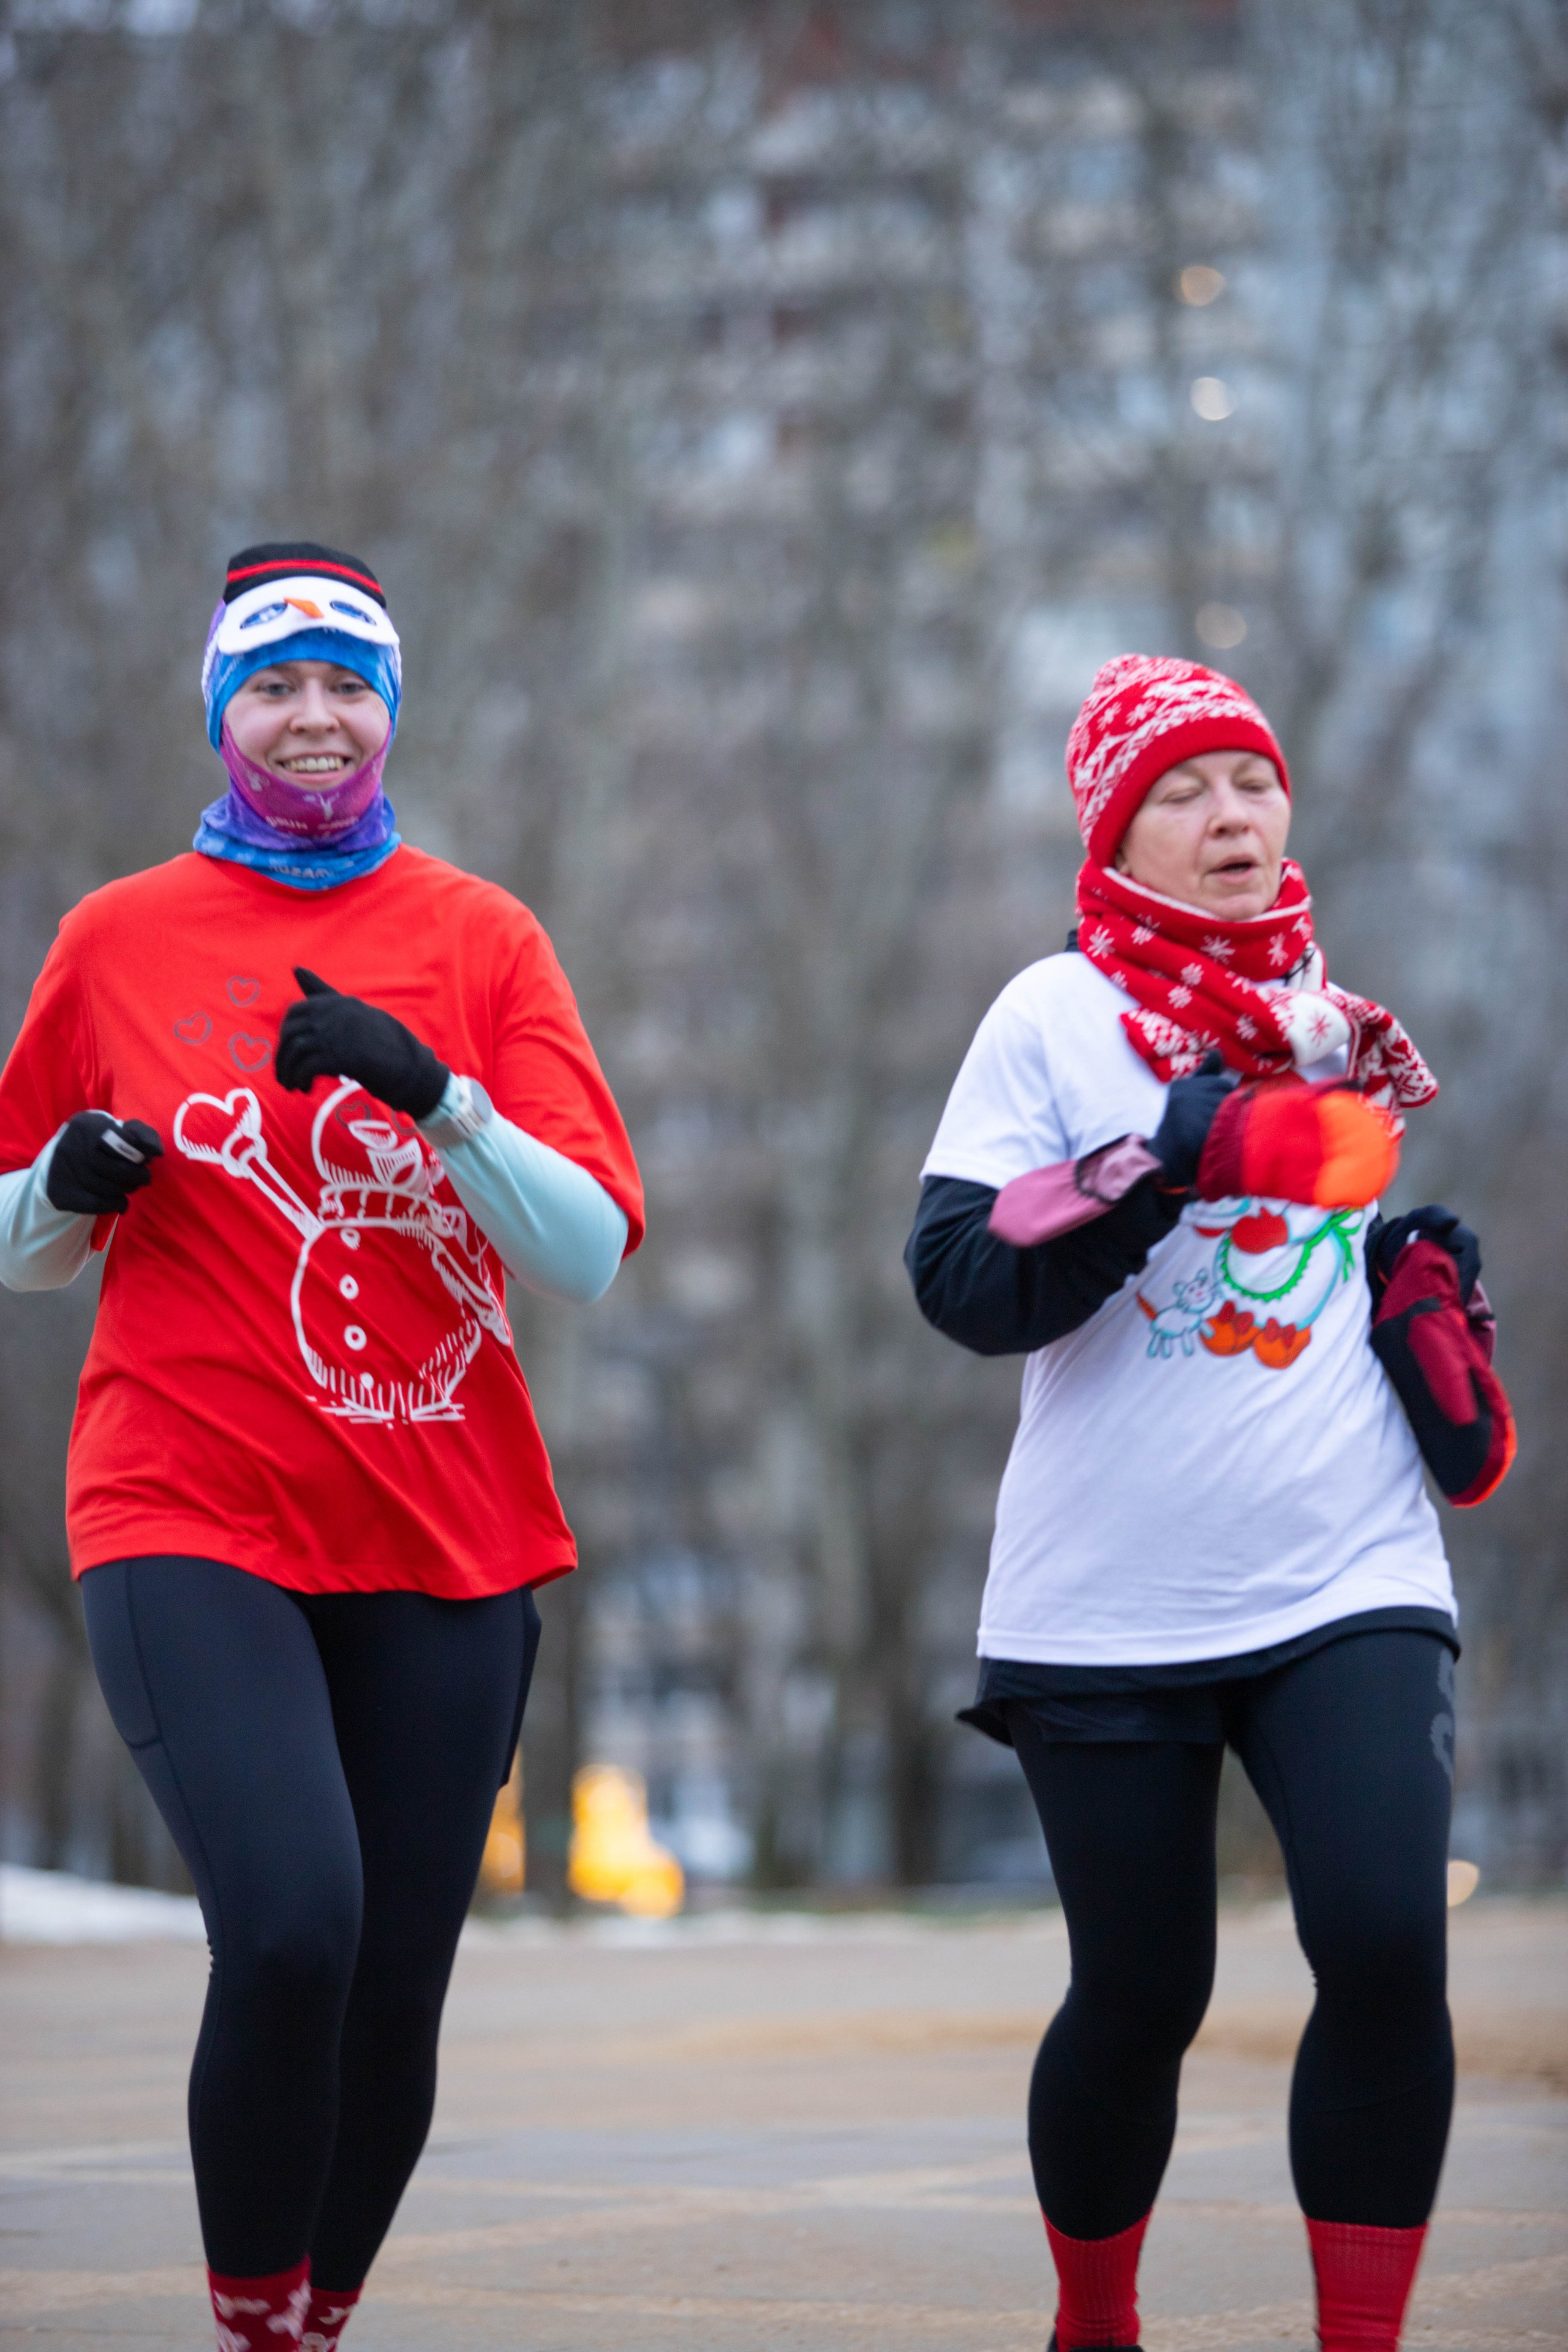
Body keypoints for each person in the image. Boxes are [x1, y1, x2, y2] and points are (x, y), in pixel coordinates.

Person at [0, 542, 644, 2352]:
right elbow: (13, 1235)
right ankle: (248, 2318)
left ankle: (311, 2315)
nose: (313, 716)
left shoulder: (481, 938)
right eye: (274, 685)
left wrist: (433, 1093)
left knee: (393, 1995)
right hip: (185, 1501)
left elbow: (589, 1247)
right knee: (291, 1927)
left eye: (348, 682)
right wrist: (61, 1183)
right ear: (221, 713)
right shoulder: (115, 940)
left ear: (391, 710)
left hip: (450, 1532)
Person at [906, 655, 1513, 2352]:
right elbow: (959, 1280)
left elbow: (1320, 1253)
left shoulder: (1335, 1020)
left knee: (1391, 1947)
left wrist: (1416, 1283)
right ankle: (1095, 2322)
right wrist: (1169, 1150)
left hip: (1347, 1564)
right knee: (1141, 1994)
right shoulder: (1049, 1018)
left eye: (1249, 780)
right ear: (1117, 833)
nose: (1230, 815)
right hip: (1110, 1599)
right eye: (1181, 790)